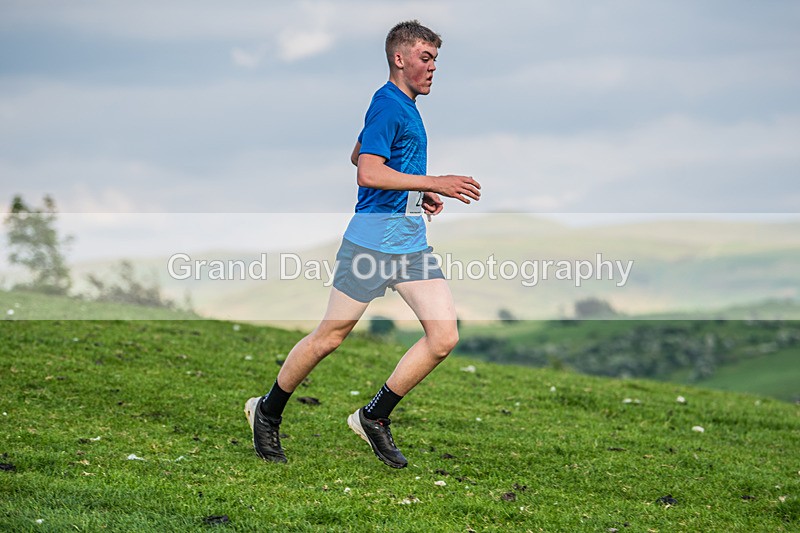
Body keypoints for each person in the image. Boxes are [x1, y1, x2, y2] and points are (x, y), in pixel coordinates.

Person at [245, 20, 481, 469]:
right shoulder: (389, 105)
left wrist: (417, 193)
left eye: (435, 60)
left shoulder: (399, 105)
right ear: (400, 59)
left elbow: (360, 153)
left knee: (443, 337)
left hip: (409, 246)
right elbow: (367, 171)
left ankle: (374, 416)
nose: (433, 68)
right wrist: (434, 182)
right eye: (426, 58)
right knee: (329, 337)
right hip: (371, 246)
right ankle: (267, 411)